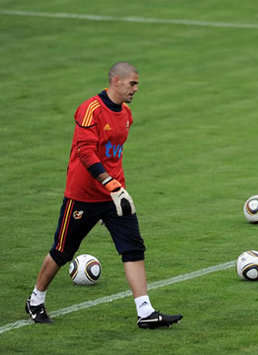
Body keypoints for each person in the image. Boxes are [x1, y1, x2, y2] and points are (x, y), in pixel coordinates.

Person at [25, 62, 183, 328]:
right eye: (132, 83)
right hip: (83, 196)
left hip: (115, 196)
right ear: (116, 81)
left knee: (133, 248)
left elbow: (113, 157)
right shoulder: (90, 110)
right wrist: (108, 183)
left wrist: (116, 188)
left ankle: (145, 312)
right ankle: (36, 300)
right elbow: (86, 152)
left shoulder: (127, 114)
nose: (136, 88)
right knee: (63, 251)